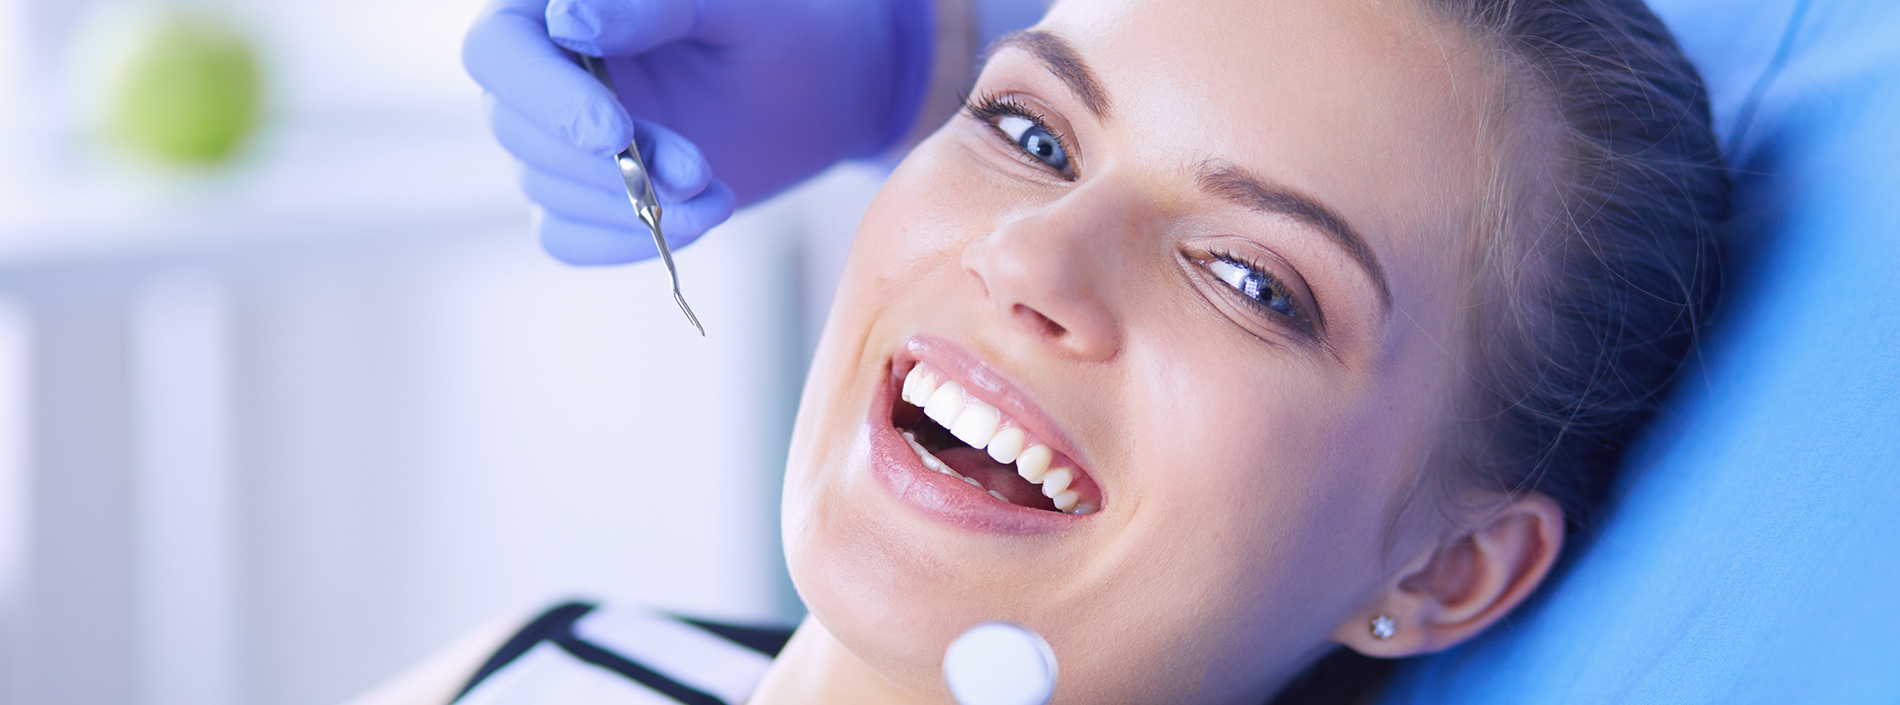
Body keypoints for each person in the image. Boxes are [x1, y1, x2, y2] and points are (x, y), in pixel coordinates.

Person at [360, 0, 1728, 702]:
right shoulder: (548, 660)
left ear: (1444, 568)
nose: (1030, 257)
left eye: (1255, 280)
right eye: (1028, 132)